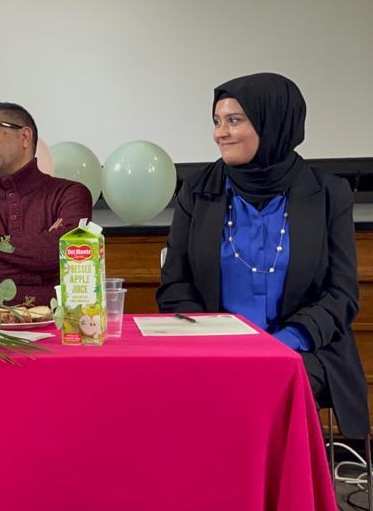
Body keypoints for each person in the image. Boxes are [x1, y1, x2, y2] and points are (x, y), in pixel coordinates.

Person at [157, 72, 368, 439]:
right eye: (217, 121)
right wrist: (218, 341)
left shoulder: (329, 194)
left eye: (234, 120)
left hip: (303, 349)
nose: (220, 132)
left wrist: (284, 342)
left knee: (273, 383)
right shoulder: (197, 192)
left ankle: (283, 493)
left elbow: (341, 294)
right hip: (216, 350)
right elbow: (175, 285)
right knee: (214, 387)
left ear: (273, 123)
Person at [0, 102, 92, 305]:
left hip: (58, 328)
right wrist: (36, 274)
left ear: (25, 137)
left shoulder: (70, 194)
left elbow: (69, 257)